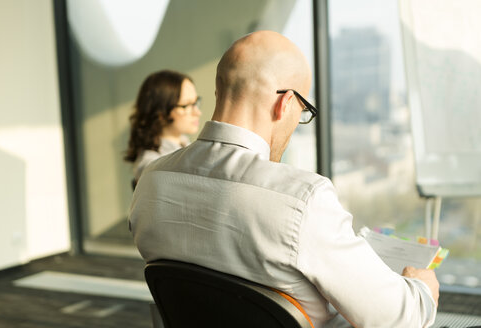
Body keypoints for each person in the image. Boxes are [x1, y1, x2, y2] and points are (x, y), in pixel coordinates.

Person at [129, 31, 438, 327]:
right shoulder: (302, 201)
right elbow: (398, 319)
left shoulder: (151, 183)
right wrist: (422, 289)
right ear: (285, 103)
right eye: (302, 111)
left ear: (218, 91)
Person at [124, 70, 201, 184]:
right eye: (186, 106)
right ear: (160, 112)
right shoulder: (152, 165)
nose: (197, 112)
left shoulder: (187, 145)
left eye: (195, 102)